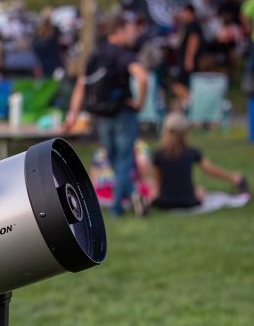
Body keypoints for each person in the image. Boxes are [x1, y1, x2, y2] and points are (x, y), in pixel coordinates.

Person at [64, 15, 148, 216]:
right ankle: (118, 207)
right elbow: (143, 77)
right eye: (130, 31)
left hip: (102, 116)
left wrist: (72, 115)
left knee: (113, 158)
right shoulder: (123, 55)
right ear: (118, 31)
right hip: (124, 114)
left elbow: (81, 86)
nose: (134, 35)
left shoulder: (96, 55)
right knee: (124, 159)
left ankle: (132, 195)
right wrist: (140, 103)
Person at [145, 111, 248, 210]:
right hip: (189, 202)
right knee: (200, 191)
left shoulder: (158, 154)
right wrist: (232, 177)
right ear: (185, 133)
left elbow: (159, 183)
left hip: (164, 202)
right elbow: (211, 170)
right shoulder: (191, 152)